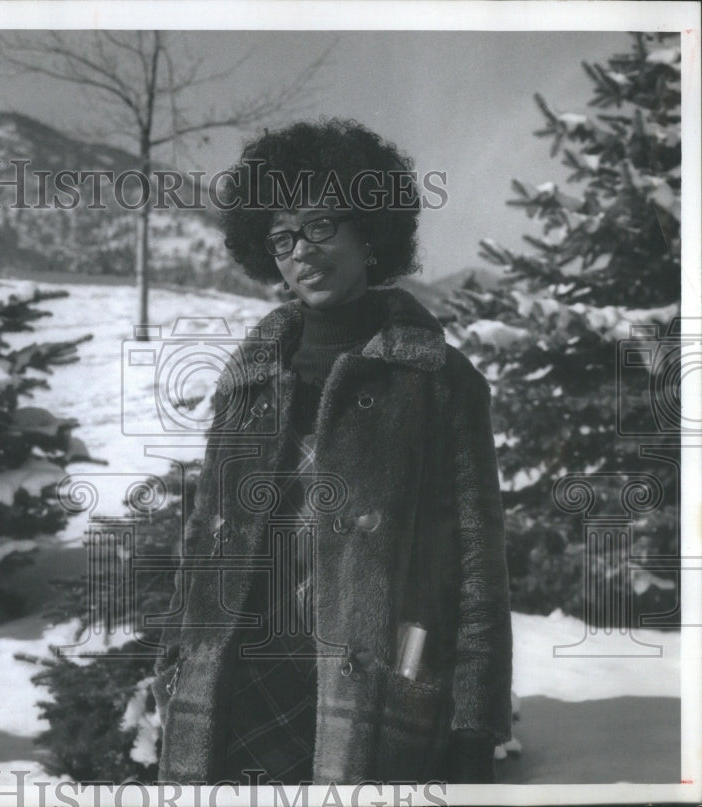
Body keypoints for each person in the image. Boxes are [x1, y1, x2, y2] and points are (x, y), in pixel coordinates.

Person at [152, 119, 512, 786]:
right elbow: (204, 546)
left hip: (369, 701)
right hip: (237, 692)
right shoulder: (248, 381)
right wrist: (174, 670)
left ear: (370, 231)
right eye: (281, 237)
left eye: (320, 226)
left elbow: (478, 573)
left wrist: (473, 729)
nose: (301, 251)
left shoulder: (439, 381)